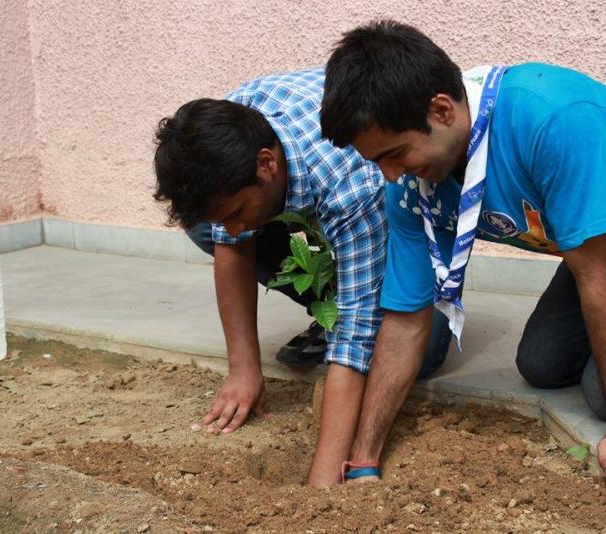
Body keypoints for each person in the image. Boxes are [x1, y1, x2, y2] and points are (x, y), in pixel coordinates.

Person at [320, 20, 606, 482]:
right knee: (542, 364)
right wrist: (364, 460)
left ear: (441, 111)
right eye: (376, 161)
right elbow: (405, 320)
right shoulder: (411, 188)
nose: (391, 176)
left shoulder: (551, 116)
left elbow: (595, 278)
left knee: (605, 395)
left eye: (395, 154)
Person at [152, 67, 451, 487]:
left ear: (266, 164)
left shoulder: (349, 179)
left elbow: (357, 331)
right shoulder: (228, 129)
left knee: (425, 341)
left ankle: (347, 290)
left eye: (237, 213)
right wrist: (243, 368)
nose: (234, 230)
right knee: (208, 225)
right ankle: (327, 298)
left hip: (394, 218)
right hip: (303, 191)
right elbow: (232, 242)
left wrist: (323, 481)